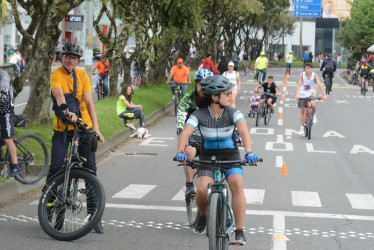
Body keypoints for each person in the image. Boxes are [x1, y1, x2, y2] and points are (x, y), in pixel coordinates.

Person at [175, 75, 259, 245]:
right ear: (214, 97)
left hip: (230, 155)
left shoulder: (233, 112)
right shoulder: (200, 114)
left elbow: (244, 132)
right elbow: (185, 132)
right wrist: (180, 151)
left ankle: (239, 231)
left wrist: (249, 152)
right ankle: (205, 216)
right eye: (227, 93)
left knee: (237, 184)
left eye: (230, 92)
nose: (230, 95)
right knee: (201, 191)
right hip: (208, 156)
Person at [48, 42, 105, 234]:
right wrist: (66, 111)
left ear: (78, 60)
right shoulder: (56, 74)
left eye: (74, 57)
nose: (71, 60)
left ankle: (94, 216)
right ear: (61, 58)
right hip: (64, 130)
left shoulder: (82, 75)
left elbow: (89, 102)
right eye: (67, 57)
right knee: (56, 168)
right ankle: (48, 208)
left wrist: (96, 128)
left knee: (90, 171)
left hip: (84, 129)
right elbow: (58, 95)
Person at [176, 69, 214, 196]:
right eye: (200, 84)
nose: (203, 87)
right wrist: (181, 136)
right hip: (195, 138)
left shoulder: (216, 98)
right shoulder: (188, 98)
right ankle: (189, 184)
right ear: (196, 84)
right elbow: (181, 116)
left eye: (206, 84)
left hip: (214, 139)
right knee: (189, 152)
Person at [0, 69, 22, 177]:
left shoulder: (3, 75)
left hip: (6, 111)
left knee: (8, 139)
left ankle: (15, 166)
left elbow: (3, 95)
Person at [295, 62, 327, 134]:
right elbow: (299, 85)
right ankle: (302, 128)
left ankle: (313, 114)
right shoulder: (301, 75)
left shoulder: (314, 75)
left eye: (308, 68)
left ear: (311, 69)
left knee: (313, 104)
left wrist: (324, 95)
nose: (307, 70)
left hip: (311, 93)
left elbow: (319, 85)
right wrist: (297, 94)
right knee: (302, 110)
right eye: (306, 68)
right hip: (302, 93)